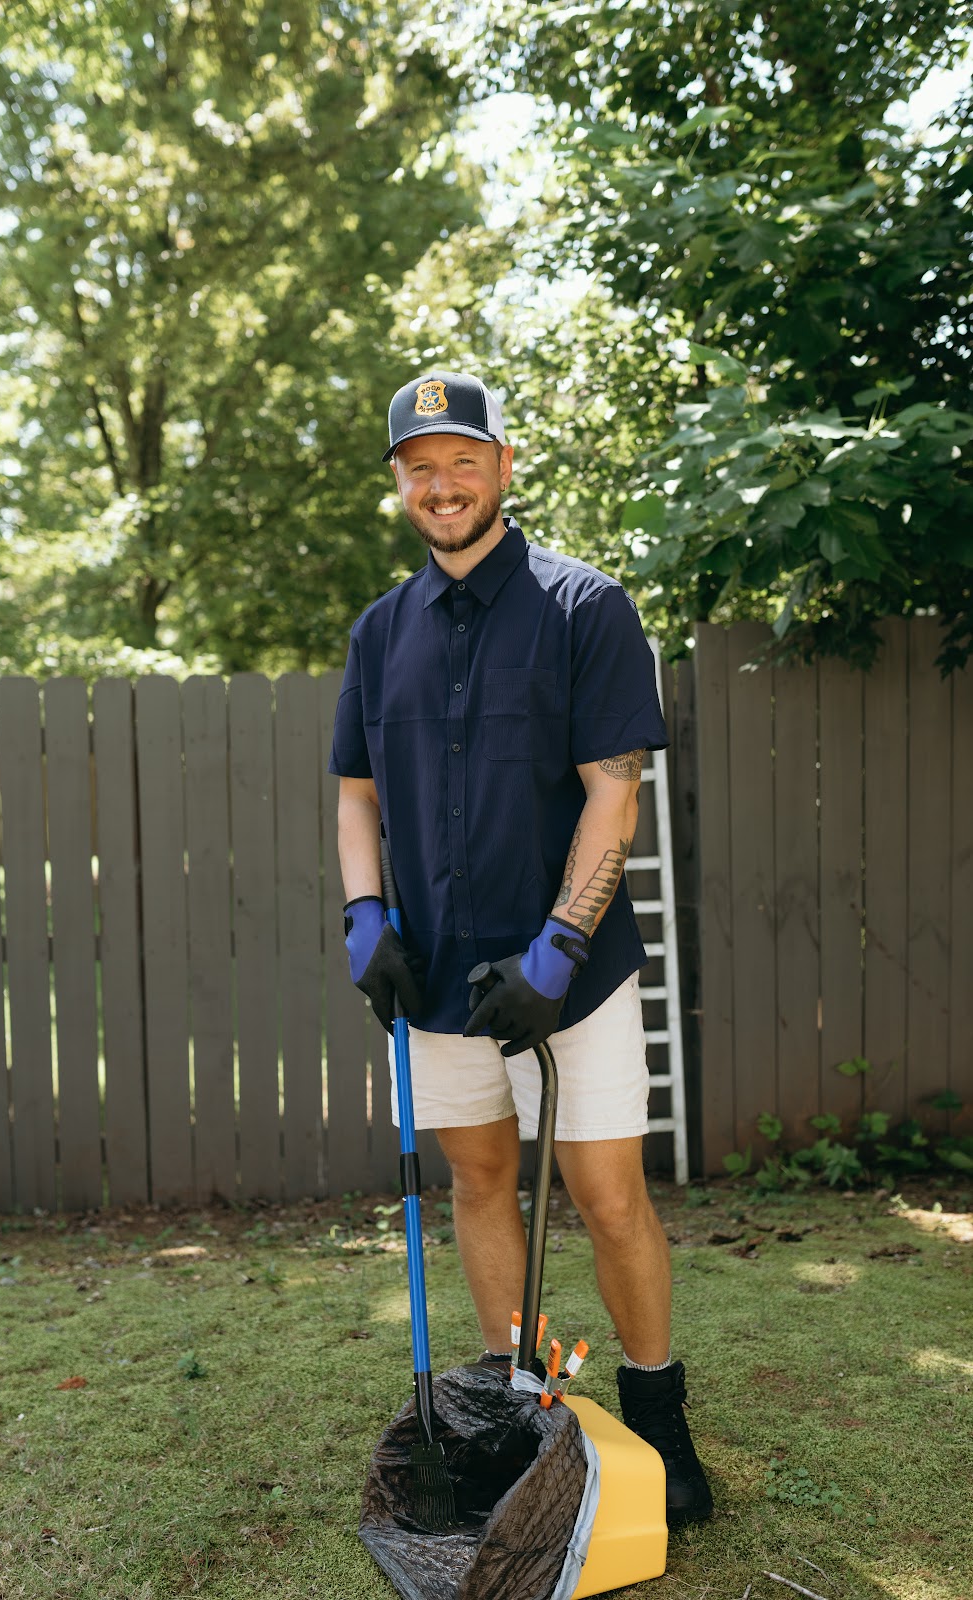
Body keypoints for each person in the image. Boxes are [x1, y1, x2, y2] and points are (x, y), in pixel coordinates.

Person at [328, 370, 712, 1527]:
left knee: (604, 1195)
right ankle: (519, 1403)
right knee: (482, 1182)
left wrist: (555, 950)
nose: (440, 484)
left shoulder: (585, 606)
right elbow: (355, 796)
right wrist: (363, 917)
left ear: (502, 465)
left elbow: (613, 792)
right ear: (399, 484)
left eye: (462, 459)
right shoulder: (377, 632)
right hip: (435, 979)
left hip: (568, 979)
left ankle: (655, 1415)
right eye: (418, 467)